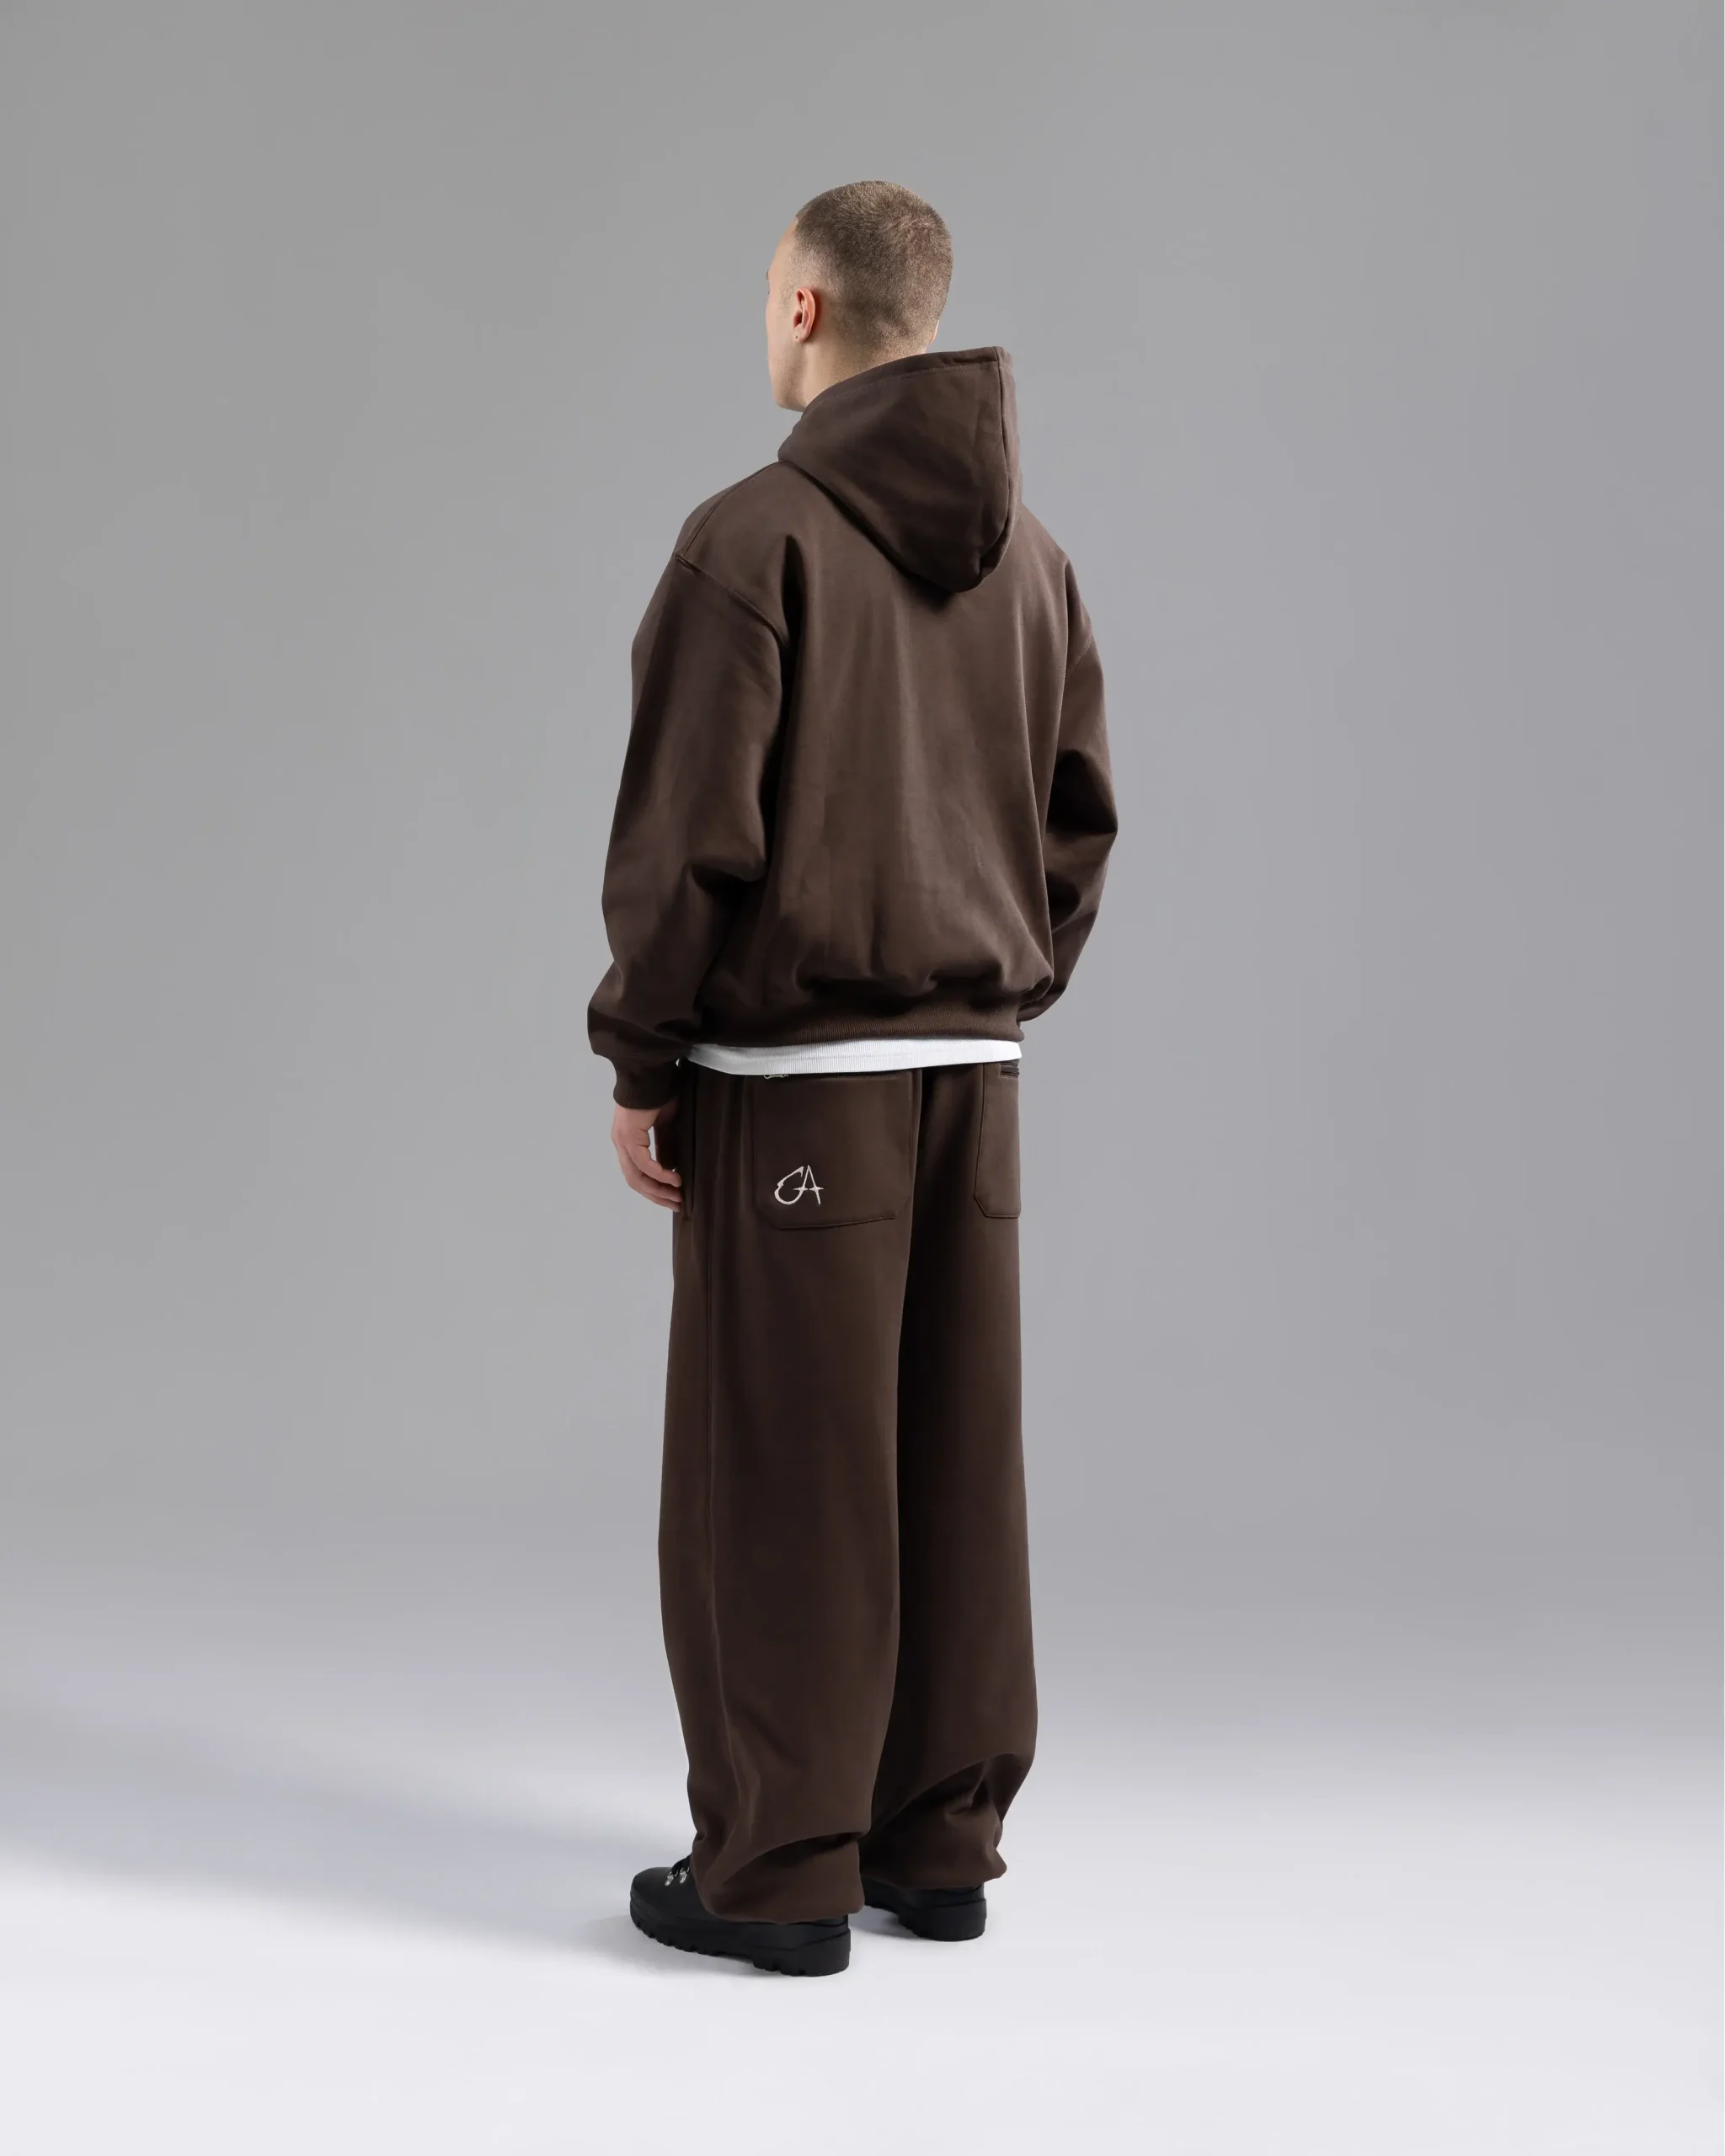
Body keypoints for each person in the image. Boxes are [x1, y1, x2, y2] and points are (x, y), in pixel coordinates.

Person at [589, 180, 1117, 1976]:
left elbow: (686, 843)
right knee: (955, 1463)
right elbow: (1077, 826)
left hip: (795, 1085)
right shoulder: (1035, 562)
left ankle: (779, 1868)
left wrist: (643, 1053)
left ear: (806, 308)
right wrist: (990, 977)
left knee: (787, 1471)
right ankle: (938, 1845)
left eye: (768, 295)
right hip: (975, 1083)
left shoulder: (750, 544)